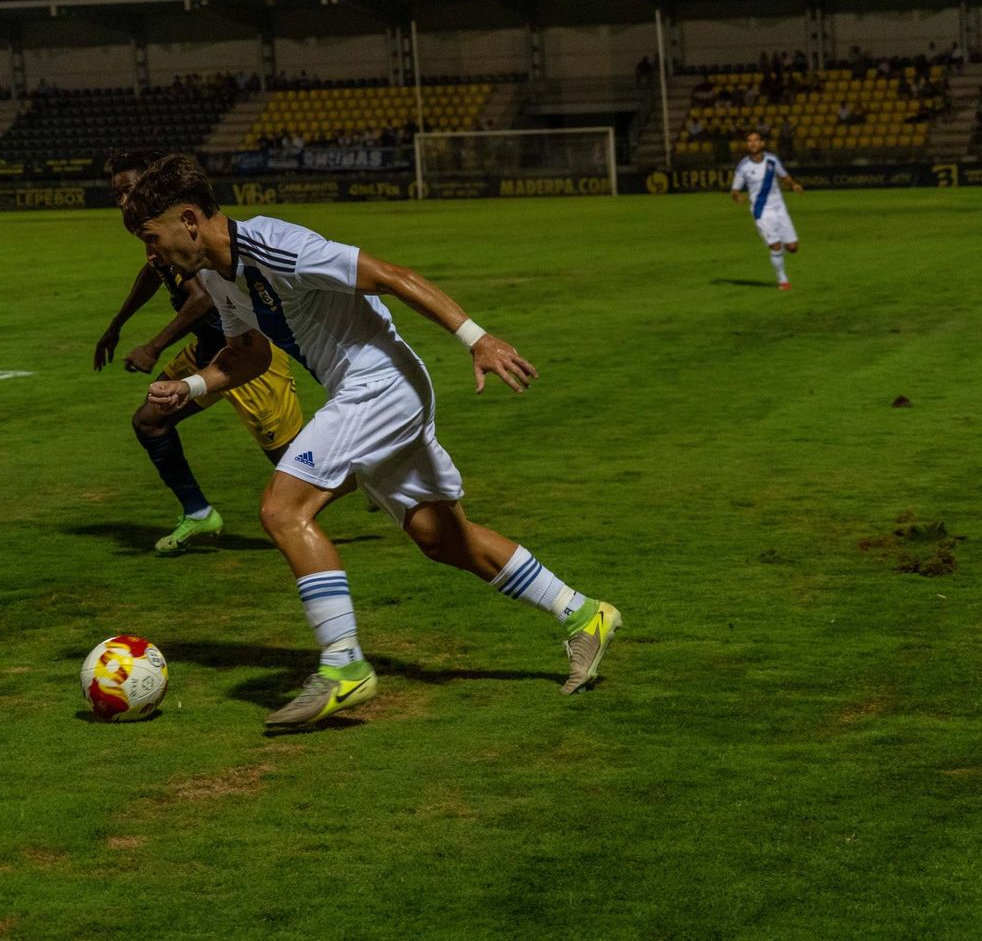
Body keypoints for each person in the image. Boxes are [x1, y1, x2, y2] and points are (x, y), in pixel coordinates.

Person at [120, 154, 622, 729]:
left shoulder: (277, 246)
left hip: (378, 387)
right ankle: (583, 613)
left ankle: (343, 667)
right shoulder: (213, 277)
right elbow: (249, 354)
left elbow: (390, 275)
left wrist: (476, 339)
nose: (150, 254)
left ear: (188, 219)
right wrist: (190, 385)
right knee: (441, 537)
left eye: (151, 237)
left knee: (283, 511)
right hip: (369, 393)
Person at [95, 150, 306, 554]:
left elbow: (202, 299)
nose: (123, 200)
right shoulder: (152, 230)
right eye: (117, 194)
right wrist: (116, 324)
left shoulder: (176, 228)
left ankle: (372, 471)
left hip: (244, 353)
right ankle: (198, 513)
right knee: (150, 421)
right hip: (207, 350)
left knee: (295, 464)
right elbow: (153, 273)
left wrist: (153, 346)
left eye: (129, 190)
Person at [729, 130, 804, 291]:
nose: (753, 143)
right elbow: (734, 190)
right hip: (761, 211)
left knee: (793, 247)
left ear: (762, 143)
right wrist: (738, 197)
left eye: (756, 140)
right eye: (749, 141)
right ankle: (783, 280)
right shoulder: (743, 166)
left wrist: (793, 185)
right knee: (775, 246)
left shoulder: (772, 160)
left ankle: (778, 251)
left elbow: (783, 176)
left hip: (780, 208)